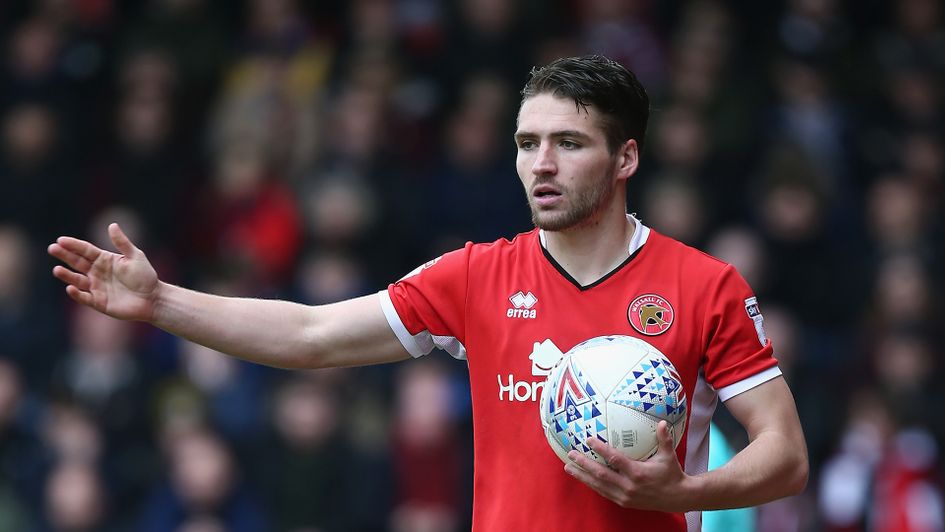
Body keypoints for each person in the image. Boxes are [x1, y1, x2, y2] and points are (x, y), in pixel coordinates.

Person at [49, 55, 808, 531]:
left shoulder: (703, 285)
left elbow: (784, 453)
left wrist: (680, 493)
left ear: (624, 158)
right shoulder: (475, 275)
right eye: (525, 143)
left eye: (568, 143)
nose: (540, 164)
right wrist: (161, 304)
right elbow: (312, 336)